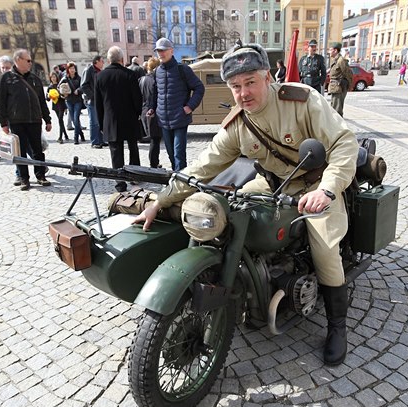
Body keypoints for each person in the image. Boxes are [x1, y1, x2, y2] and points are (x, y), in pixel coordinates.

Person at [133, 42, 358, 366]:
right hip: (271, 183)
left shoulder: (301, 100)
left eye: (250, 82)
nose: (243, 92)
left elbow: (343, 142)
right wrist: (160, 199)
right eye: (235, 86)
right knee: (225, 210)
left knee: (324, 247)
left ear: (267, 77)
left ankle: (338, 326)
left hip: (314, 184)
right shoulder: (239, 124)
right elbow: (202, 166)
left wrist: (327, 189)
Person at [0, 49, 52, 191]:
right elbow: (0, 102)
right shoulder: (6, 78)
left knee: (37, 150)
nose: (30, 63)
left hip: (34, 120)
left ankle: (40, 175)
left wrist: (47, 119)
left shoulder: (34, 79)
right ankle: (23, 178)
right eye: (28, 60)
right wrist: (3, 122)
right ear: (18, 60)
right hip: (16, 121)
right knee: (20, 152)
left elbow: (41, 101)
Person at [148, 38, 204, 171]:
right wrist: (152, 108)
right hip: (163, 120)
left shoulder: (183, 69)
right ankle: (175, 177)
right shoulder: (157, 72)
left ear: (171, 51)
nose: (160, 53)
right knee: (171, 154)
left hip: (179, 118)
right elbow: (156, 93)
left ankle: (181, 183)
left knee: (179, 154)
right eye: (158, 51)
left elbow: (199, 88)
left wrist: (190, 107)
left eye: (163, 50)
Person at [95, 46, 143, 192]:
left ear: (109, 59)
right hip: (129, 118)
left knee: (116, 152)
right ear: (122, 59)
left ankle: (120, 182)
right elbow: (137, 99)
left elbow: (98, 103)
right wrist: (137, 113)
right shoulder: (130, 75)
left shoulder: (100, 76)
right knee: (133, 148)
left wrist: (101, 123)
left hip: (111, 120)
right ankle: (134, 176)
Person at [139, 57, 162, 168]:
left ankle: (154, 162)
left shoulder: (141, 79)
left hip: (144, 110)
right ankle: (154, 164)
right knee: (155, 139)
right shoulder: (155, 80)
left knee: (154, 138)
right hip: (152, 111)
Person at [80, 55, 106, 148]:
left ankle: (102, 140)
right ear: (96, 62)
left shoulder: (100, 71)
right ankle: (95, 142)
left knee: (100, 121)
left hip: (100, 100)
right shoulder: (89, 70)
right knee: (94, 122)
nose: (103, 63)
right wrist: (93, 96)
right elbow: (84, 85)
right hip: (92, 100)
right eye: (102, 61)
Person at [58, 62, 85, 144]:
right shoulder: (65, 78)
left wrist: (78, 90)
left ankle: (76, 138)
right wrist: (63, 92)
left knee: (76, 119)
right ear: (68, 70)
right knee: (74, 120)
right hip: (69, 101)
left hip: (78, 101)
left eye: (73, 68)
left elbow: (83, 87)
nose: (72, 70)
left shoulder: (79, 78)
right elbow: (59, 87)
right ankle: (81, 134)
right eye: (70, 68)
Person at [327, 42, 352, 117]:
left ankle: (339, 127)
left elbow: (348, 74)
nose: (329, 52)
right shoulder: (336, 60)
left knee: (337, 111)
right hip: (335, 88)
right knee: (334, 109)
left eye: (330, 50)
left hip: (339, 88)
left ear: (335, 51)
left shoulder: (341, 60)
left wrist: (347, 86)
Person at [47, 72, 69, 144]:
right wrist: (49, 96)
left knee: (60, 119)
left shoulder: (60, 85)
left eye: (54, 77)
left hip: (61, 104)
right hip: (55, 105)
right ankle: (65, 135)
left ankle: (60, 137)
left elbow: (64, 94)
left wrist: (59, 95)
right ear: (50, 78)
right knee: (60, 120)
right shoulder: (50, 87)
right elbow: (47, 99)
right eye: (52, 77)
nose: (53, 78)